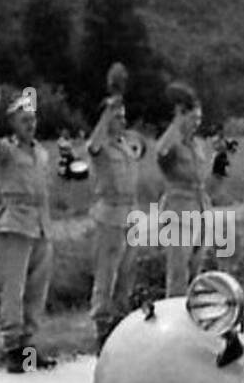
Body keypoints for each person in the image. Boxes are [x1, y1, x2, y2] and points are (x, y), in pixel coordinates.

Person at [0, 78, 57, 373]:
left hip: (40, 222)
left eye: (33, 119)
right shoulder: (7, 151)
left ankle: (30, 348)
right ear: (13, 123)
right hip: (16, 222)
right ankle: (12, 346)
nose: (30, 125)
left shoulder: (42, 153)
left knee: (37, 290)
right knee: (15, 288)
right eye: (24, 120)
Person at [87, 66, 142, 352]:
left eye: (123, 117)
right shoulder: (102, 146)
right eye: (116, 117)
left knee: (127, 271)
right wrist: (107, 112)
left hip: (130, 212)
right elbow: (93, 145)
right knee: (106, 271)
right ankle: (102, 325)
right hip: (109, 212)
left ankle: (121, 321)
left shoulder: (127, 145)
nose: (121, 121)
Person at [155, 81, 210, 296]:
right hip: (178, 212)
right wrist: (176, 123)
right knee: (178, 271)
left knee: (197, 268)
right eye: (192, 118)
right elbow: (161, 154)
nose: (196, 123)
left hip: (199, 209)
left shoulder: (197, 145)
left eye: (199, 119)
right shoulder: (173, 144)